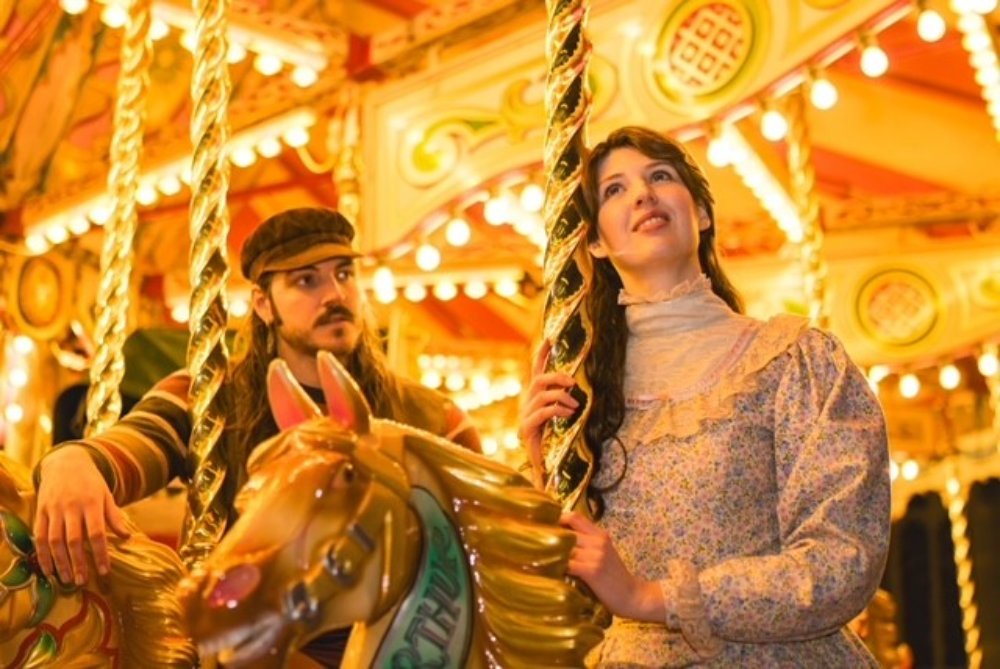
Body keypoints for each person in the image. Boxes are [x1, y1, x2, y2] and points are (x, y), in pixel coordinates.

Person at [33, 207, 481, 666]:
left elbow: (490, 527)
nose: (335, 294)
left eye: (344, 273)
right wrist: (75, 461)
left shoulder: (428, 416)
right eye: (306, 281)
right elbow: (137, 444)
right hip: (263, 647)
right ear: (263, 303)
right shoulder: (211, 399)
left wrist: (538, 463)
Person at [520, 126, 890, 667]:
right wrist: (544, 466)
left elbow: (841, 561)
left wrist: (652, 597)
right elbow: (564, 600)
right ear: (594, 242)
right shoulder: (588, 394)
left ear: (703, 213)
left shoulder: (794, 361)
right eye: (614, 190)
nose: (643, 194)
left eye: (660, 176)